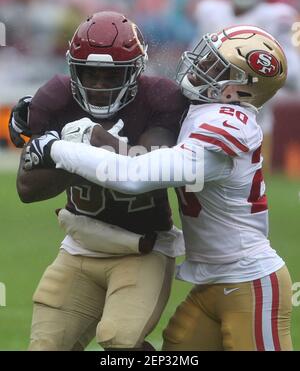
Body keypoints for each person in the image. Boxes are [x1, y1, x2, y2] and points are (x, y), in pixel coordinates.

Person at [26, 25, 293, 351]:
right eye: (206, 57)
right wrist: (36, 114)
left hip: (249, 280)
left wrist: (55, 149)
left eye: (215, 67)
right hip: (210, 282)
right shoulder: (199, 109)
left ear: (239, 89)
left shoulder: (229, 124)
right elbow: (143, 113)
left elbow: (134, 176)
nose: (201, 66)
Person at [10, 11, 189, 351]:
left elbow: (146, 172)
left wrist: (90, 142)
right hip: (81, 245)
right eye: (88, 73)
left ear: (136, 71)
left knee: (120, 341)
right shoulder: (55, 96)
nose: (98, 85)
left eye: (110, 75)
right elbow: (26, 189)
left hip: (143, 248)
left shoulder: (159, 98)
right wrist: (68, 152)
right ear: (72, 69)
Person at [193, 0, 300, 170]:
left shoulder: (278, 15)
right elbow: (194, 61)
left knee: (248, 187)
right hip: (209, 118)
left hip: (253, 124)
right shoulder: (209, 11)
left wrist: (254, 68)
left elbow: (293, 75)